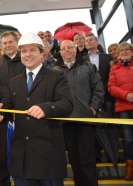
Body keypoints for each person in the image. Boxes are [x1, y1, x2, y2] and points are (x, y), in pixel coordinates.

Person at [0, 32, 73, 186]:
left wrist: (46, 108)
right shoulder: (14, 82)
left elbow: (67, 104)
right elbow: (7, 105)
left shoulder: (56, 76)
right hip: (22, 156)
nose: (27, 54)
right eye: (24, 51)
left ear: (42, 53)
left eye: (32, 50)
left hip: (48, 155)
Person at [55, 40, 104, 186]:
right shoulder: (54, 70)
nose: (67, 50)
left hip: (85, 120)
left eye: (70, 47)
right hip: (65, 121)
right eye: (64, 48)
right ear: (60, 51)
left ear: (76, 49)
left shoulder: (89, 67)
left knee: (87, 161)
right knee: (74, 160)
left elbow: (99, 90)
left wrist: (93, 107)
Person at [0, 31, 25, 186]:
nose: (8, 45)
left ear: (17, 42)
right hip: (3, 112)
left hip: (24, 112)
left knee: (25, 151)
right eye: (4, 43)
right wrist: (11, 93)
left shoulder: (25, 59)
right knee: (3, 153)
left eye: (10, 42)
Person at [83, 32, 114, 162]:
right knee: (93, 128)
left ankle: (111, 155)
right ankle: (97, 155)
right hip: (90, 99)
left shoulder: (108, 58)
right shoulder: (83, 59)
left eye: (91, 40)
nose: (88, 42)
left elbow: (111, 76)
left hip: (107, 97)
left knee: (109, 127)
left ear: (97, 42)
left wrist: (103, 88)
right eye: (87, 41)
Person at [108, 42, 133, 180]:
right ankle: (130, 169)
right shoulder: (114, 69)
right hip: (124, 107)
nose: (124, 52)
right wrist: (126, 95)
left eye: (126, 49)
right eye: (121, 50)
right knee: (128, 139)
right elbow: (111, 87)